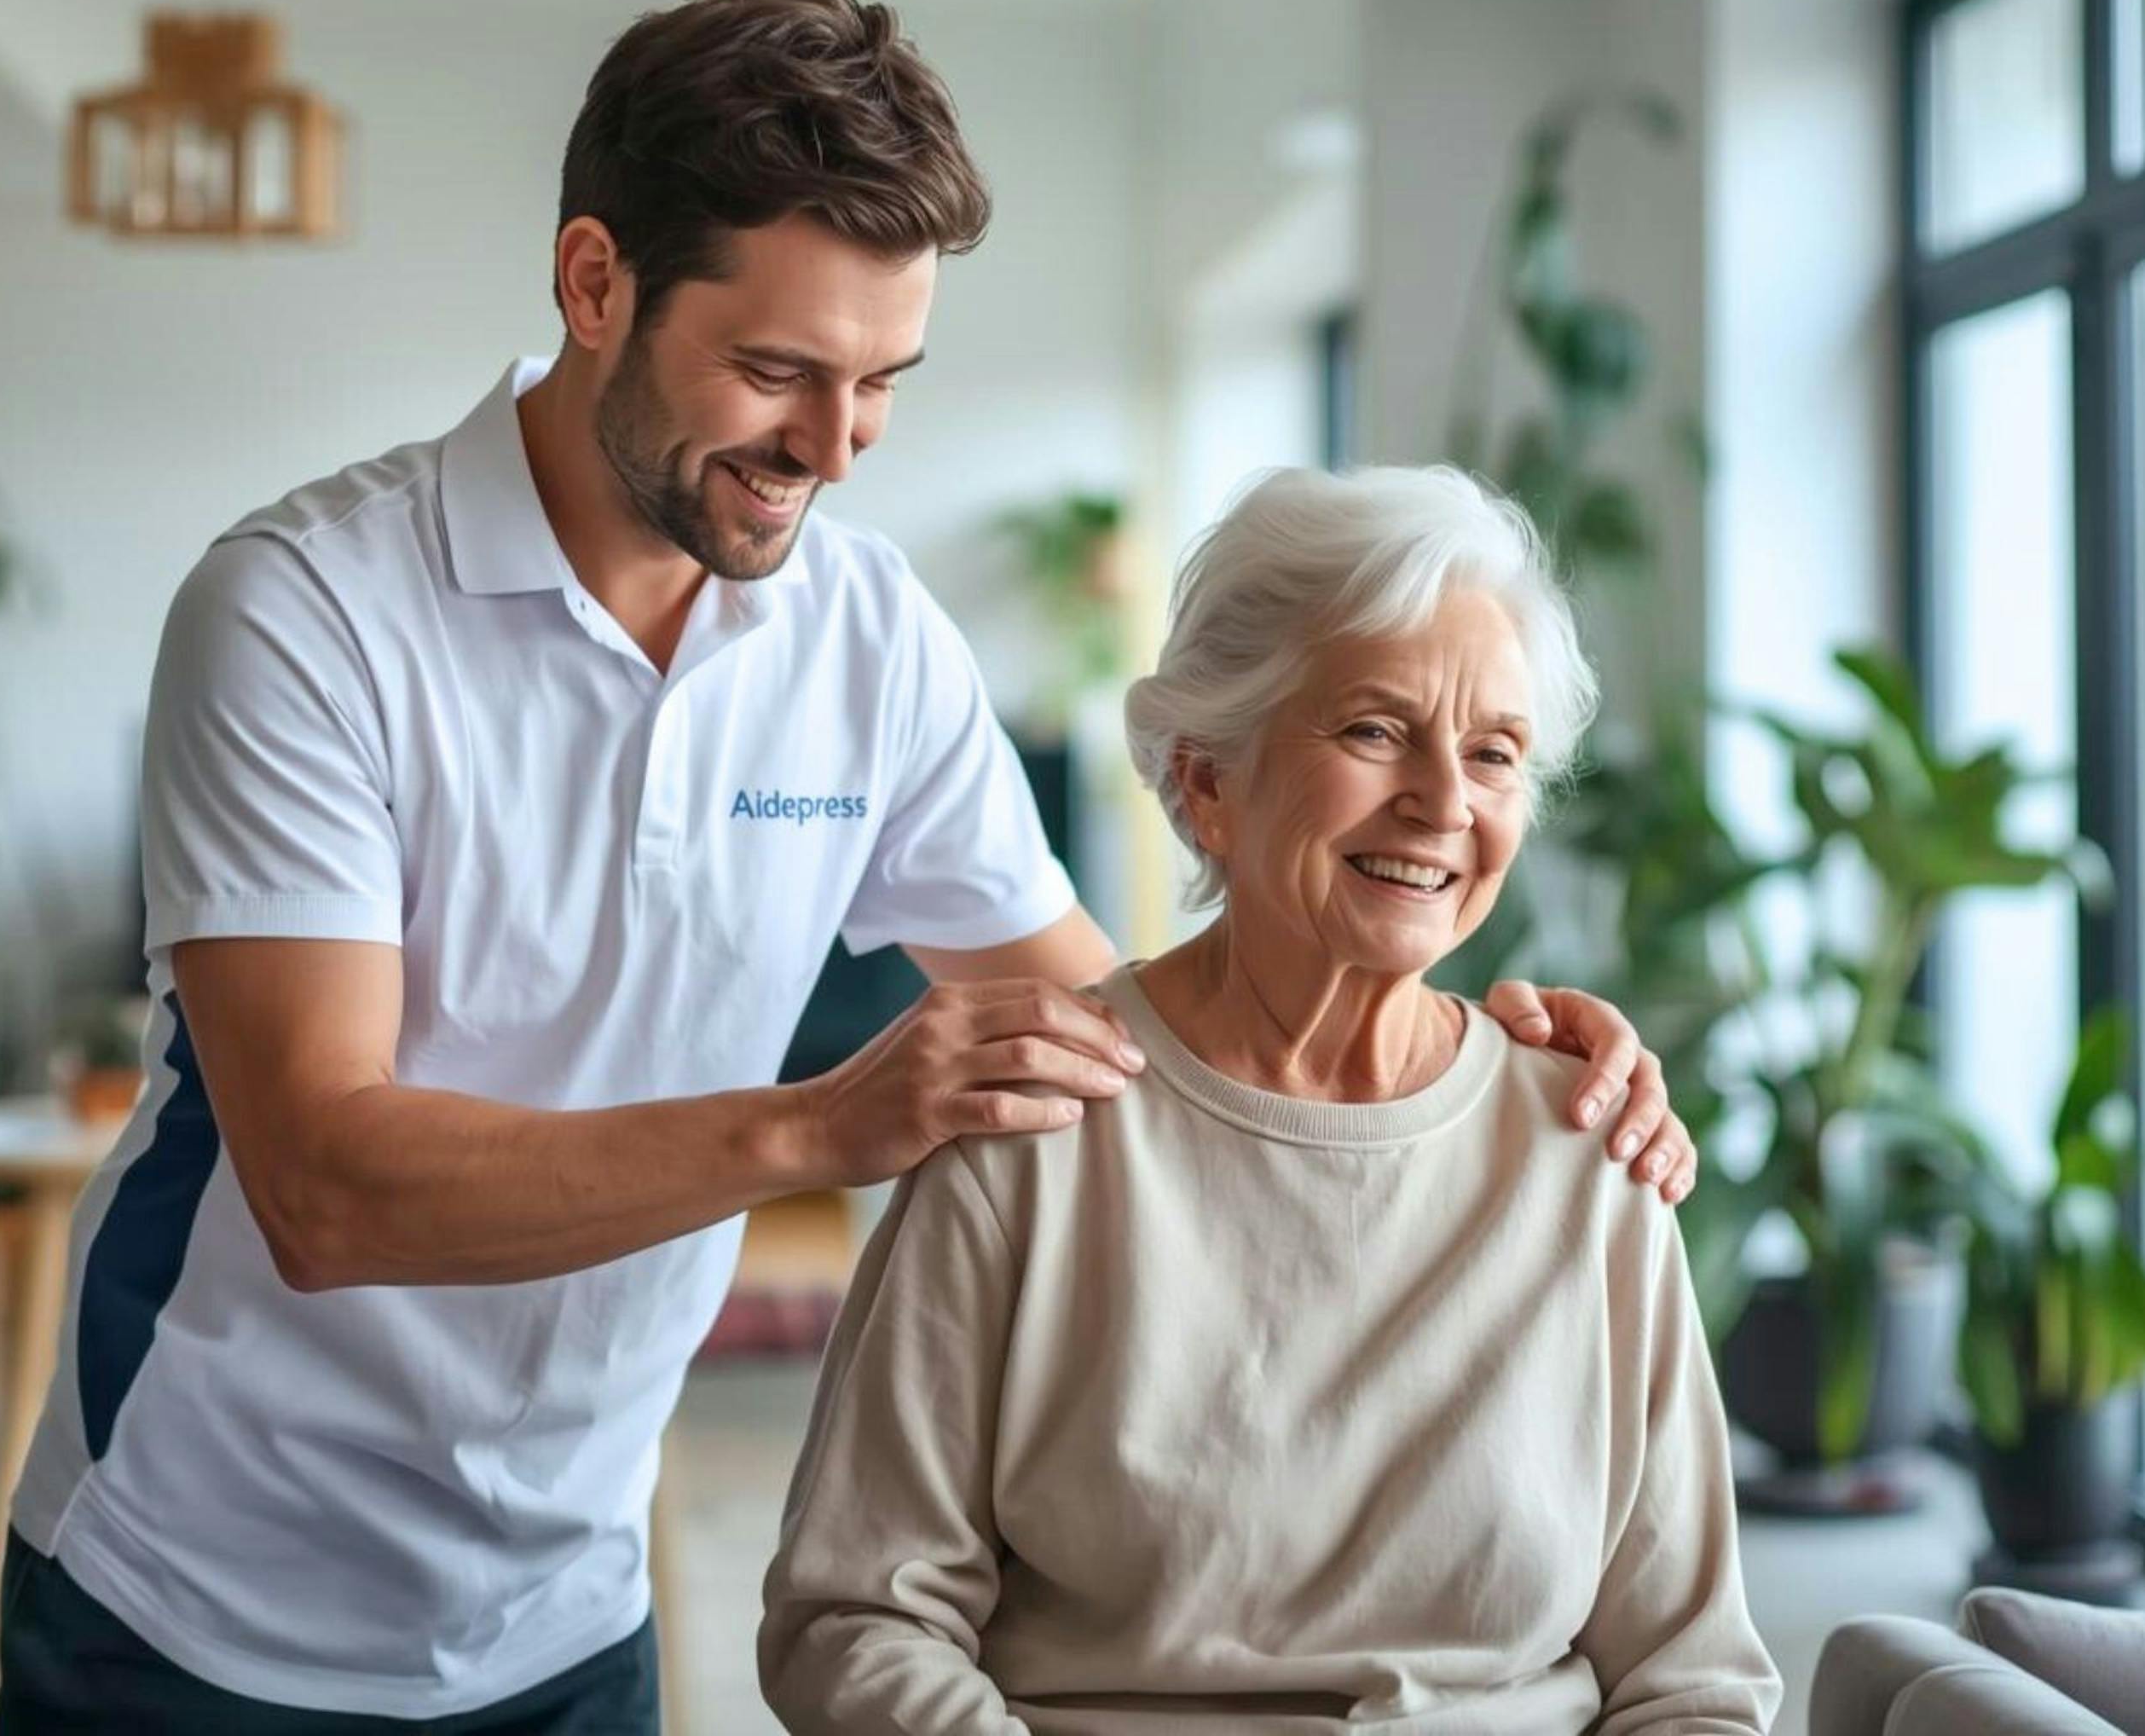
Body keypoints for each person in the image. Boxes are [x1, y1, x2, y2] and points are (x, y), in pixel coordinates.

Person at [0, 0, 1697, 1733]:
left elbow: (1121, 1035)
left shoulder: (863, 641)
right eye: (776, 372)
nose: (832, 450)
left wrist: (1459, 1063)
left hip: (566, 1615)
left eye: (883, 381)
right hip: (190, 1607)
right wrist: (824, 1126)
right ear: (595, 283)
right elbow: (326, 1187)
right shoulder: (304, 616)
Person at [759, 466, 1778, 1735]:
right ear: (1205, 784)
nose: (1445, 802)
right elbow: (857, 1620)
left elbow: (1695, 1679)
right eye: (1373, 729)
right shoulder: (1034, 1132)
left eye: (1493, 753)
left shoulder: (1589, 1145)